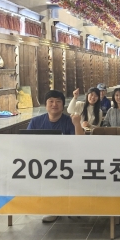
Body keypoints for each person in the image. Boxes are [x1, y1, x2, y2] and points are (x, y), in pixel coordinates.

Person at [29, 89, 76, 223]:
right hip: (40, 161)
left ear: (63, 105)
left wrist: (77, 124)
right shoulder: (35, 122)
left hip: (66, 162)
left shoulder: (69, 121)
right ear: (45, 105)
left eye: (58, 101)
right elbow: (26, 142)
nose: (54, 104)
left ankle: (57, 208)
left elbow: (77, 143)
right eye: (51, 101)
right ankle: (51, 207)